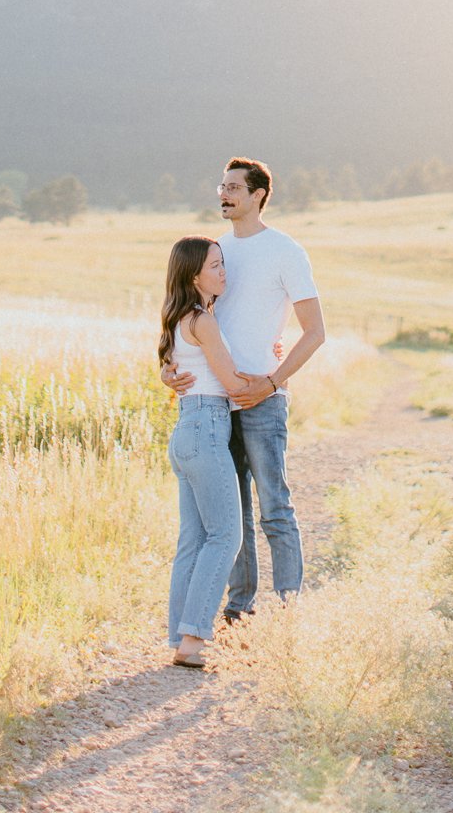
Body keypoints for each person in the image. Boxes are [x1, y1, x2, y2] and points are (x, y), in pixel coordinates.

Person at [162, 156, 326, 622]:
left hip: (262, 400)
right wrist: (168, 368)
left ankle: (288, 613)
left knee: (274, 506)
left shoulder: (285, 251)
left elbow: (315, 331)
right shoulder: (215, 251)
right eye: (221, 186)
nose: (223, 193)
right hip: (214, 403)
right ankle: (240, 610)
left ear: (258, 195)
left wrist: (273, 381)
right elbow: (184, 318)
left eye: (234, 186)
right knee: (231, 516)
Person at [157, 234, 246, 668]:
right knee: (227, 534)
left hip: (186, 430)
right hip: (208, 426)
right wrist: (277, 379)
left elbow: (181, 370)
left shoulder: (179, 318)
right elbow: (232, 386)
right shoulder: (203, 321)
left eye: (223, 263)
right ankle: (193, 637)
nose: (223, 271)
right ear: (195, 275)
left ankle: (182, 635)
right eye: (216, 266)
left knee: (193, 540)